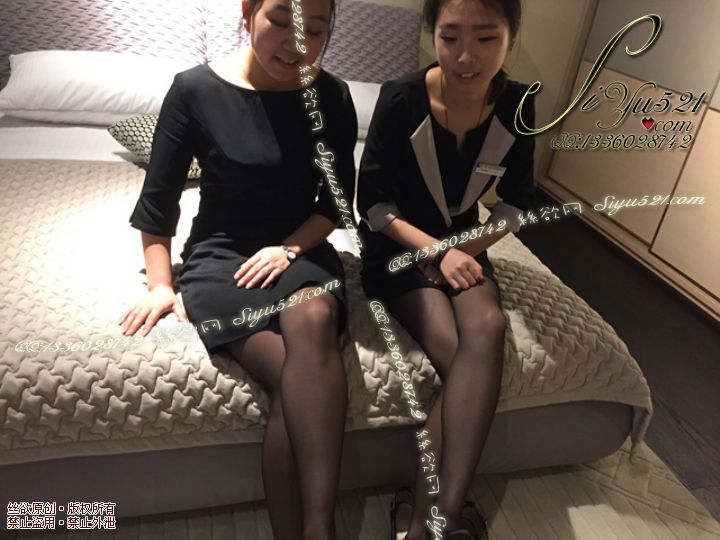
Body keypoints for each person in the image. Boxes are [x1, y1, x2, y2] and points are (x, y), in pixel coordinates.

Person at [118, 0, 358, 536]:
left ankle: (318, 530)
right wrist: (161, 284)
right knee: (300, 378)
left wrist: (289, 250)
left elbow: (334, 205)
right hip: (221, 257)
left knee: (314, 316)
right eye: (280, 21)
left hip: (299, 248)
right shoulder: (194, 90)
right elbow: (158, 203)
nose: (296, 43)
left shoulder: (333, 96)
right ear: (248, 12)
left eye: (314, 30)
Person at [357, 0, 534, 537]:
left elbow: (515, 203)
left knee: (489, 326)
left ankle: (427, 524)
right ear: (431, 35)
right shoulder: (401, 98)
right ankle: (436, 520)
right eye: (450, 37)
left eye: (486, 37)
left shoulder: (520, 104)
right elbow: (374, 206)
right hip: (398, 248)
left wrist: (463, 248)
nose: (465, 56)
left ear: (511, 37)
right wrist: (436, 252)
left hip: (465, 245)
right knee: (464, 362)